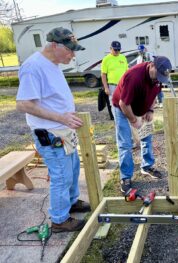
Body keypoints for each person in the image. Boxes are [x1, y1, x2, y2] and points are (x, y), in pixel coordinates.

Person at [16, 27, 91, 233]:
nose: (73, 55)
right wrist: (61, 117)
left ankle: (71, 202)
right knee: (61, 175)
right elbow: (23, 104)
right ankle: (59, 219)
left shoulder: (54, 63)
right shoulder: (33, 67)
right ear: (54, 45)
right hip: (49, 132)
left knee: (73, 169)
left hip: (63, 130)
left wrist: (66, 115)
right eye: (70, 50)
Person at [112, 56, 172, 193]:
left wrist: (150, 109)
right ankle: (126, 177)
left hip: (141, 109)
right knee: (125, 144)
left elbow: (155, 94)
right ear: (152, 65)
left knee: (147, 138)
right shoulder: (134, 76)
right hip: (123, 109)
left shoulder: (158, 77)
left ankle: (147, 166)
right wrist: (133, 120)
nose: (158, 80)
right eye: (157, 76)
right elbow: (123, 104)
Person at [101, 41, 128, 120]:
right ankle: (117, 120)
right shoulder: (106, 59)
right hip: (113, 85)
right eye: (115, 50)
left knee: (125, 101)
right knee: (114, 103)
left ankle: (125, 117)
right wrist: (106, 87)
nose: (117, 52)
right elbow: (103, 74)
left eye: (118, 50)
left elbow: (127, 71)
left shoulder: (123, 57)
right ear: (110, 49)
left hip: (123, 85)